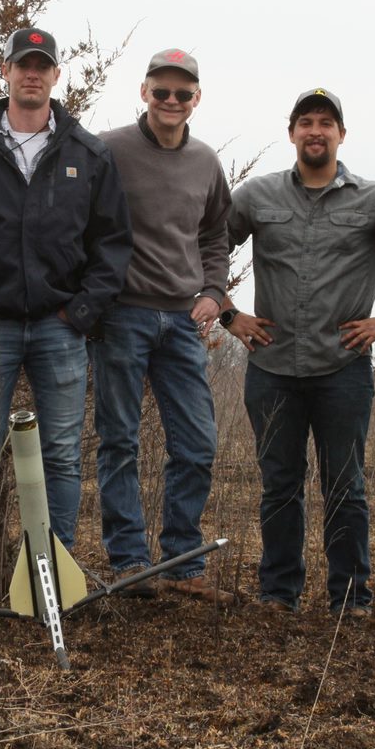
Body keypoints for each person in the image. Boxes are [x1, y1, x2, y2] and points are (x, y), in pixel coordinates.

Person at [0, 27, 131, 607]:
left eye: (43, 65)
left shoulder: (88, 155)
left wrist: (80, 313)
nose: (32, 74)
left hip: (61, 332)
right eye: (22, 64)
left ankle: (50, 580)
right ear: (6, 71)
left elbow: (112, 246)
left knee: (62, 456)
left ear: (56, 76)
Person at [223, 89, 375, 616]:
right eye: (305, 122)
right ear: (292, 131)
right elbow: (206, 248)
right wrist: (231, 317)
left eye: (326, 122)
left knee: (345, 485)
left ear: (342, 134)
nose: (315, 131)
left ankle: (351, 599)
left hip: (342, 368)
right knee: (280, 485)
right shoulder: (256, 196)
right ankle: (278, 594)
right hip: (271, 366)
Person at [93, 49, 233, 603]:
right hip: (122, 314)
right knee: (119, 443)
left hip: (181, 320)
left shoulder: (206, 161)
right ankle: (130, 562)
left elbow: (216, 234)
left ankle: (180, 559)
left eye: (183, 93)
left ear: (196, 98)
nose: (171, 101)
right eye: (161, 91)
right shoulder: (108, 149)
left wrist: (215, 293)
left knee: (196, 444)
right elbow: (82, 222)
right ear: (144, 92)